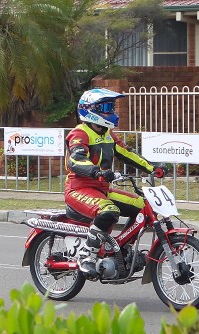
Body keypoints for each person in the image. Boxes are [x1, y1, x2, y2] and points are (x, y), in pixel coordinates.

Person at [64, 88, 167, 279]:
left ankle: (122, 249)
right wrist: (96, 171)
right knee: (108, 211)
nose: (110, 112)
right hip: (79, 188)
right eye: (105, 107)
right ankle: (87, 255)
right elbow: (76, 159)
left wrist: (152, 168)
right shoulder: (80, 133)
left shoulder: (108, 134)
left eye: (111, 107)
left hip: (102, 188)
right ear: (90, 111)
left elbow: (126, 153)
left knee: (143, 206)